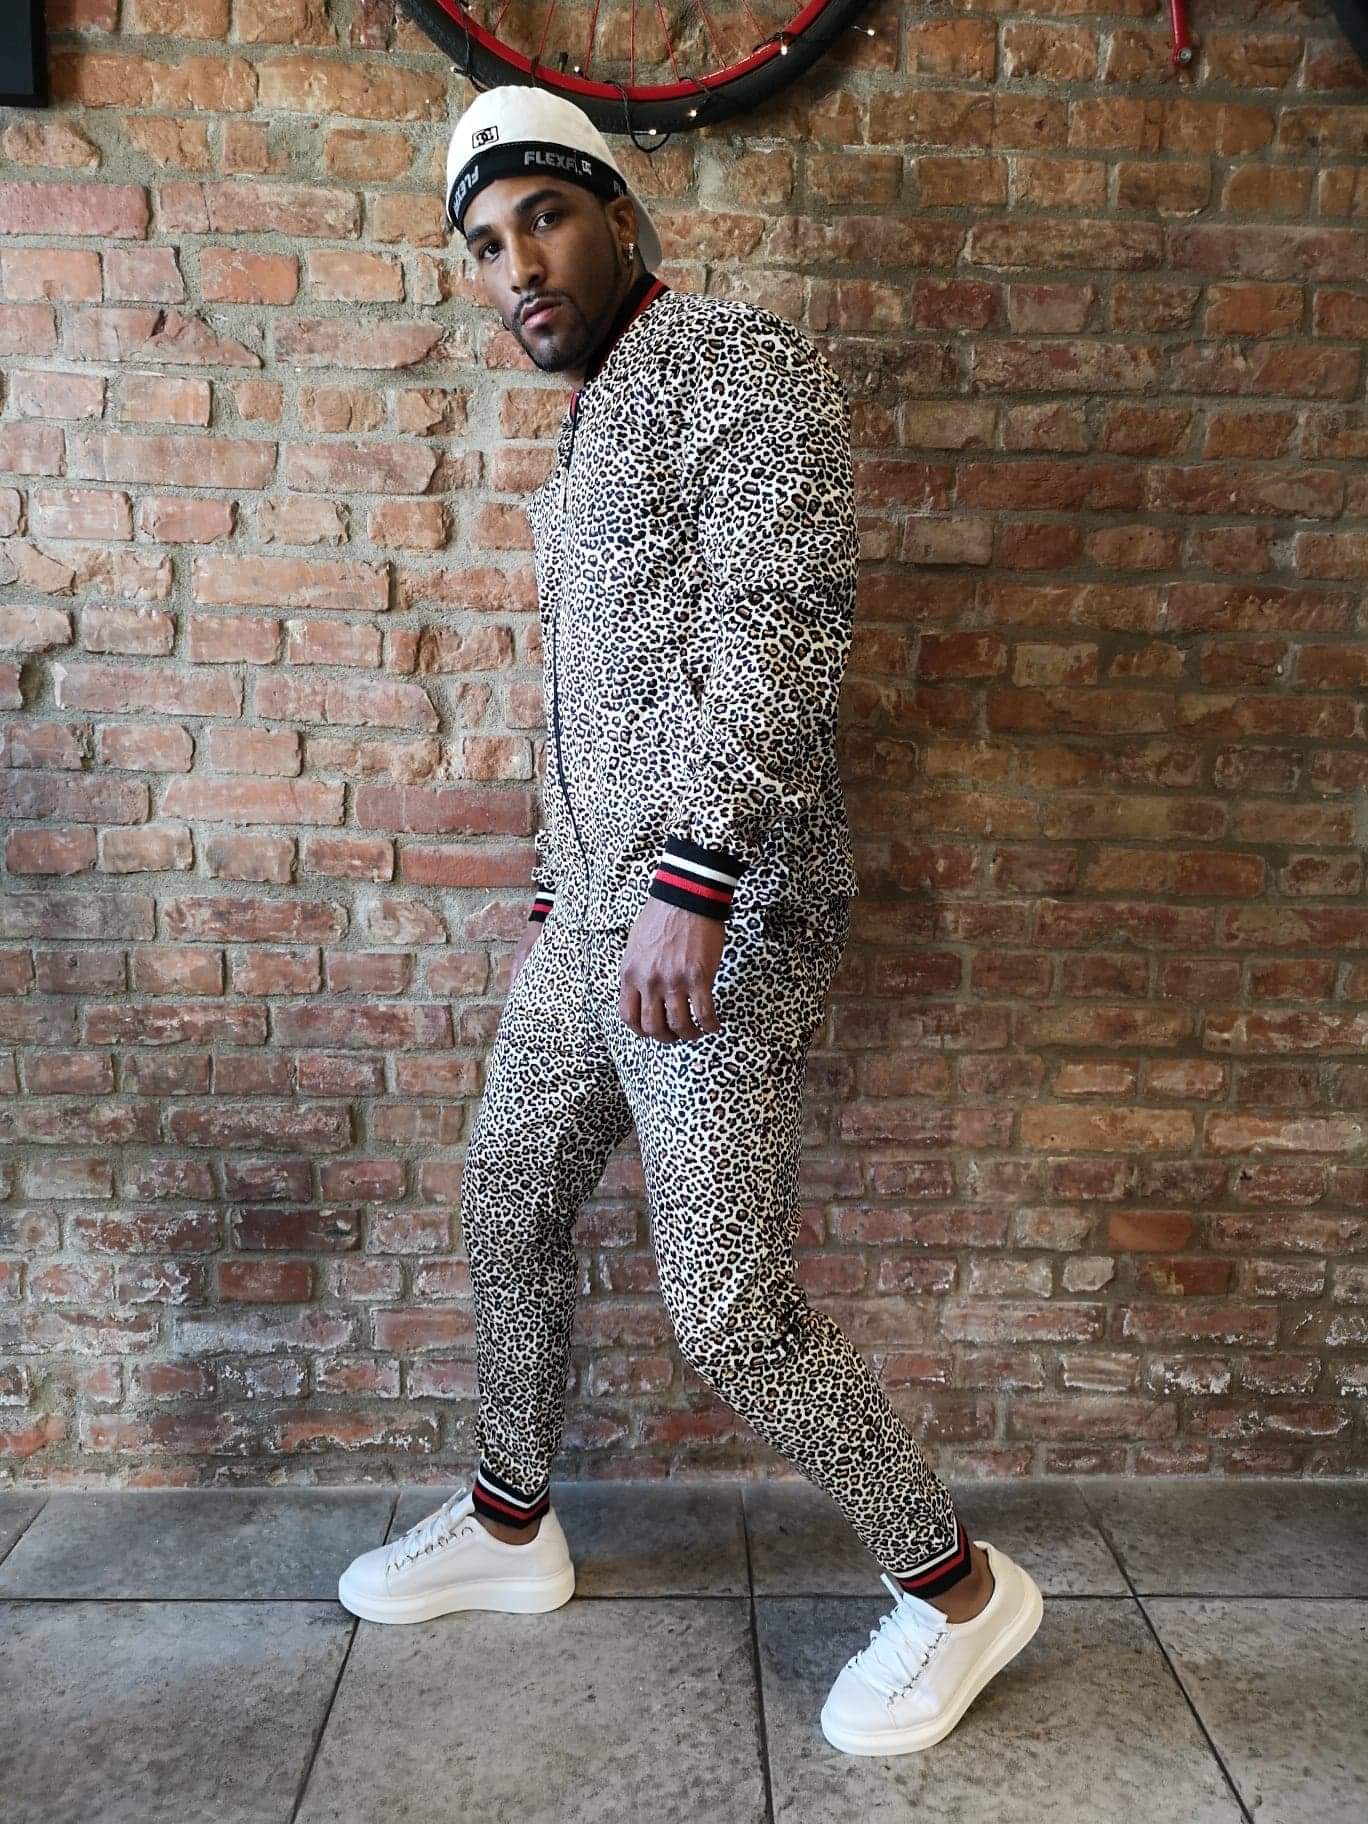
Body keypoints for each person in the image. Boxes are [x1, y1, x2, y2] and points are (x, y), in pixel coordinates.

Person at [338, 83, 1042, 1755]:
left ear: (620, 216)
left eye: (544, 220)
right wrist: (558, 886)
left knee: (728, 1304)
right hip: (594, 915)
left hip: (718, 918)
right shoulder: (596, 415)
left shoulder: (738, 363)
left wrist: (692, 880)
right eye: (486, 246)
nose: (518, 267)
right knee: (509, 1196)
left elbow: (781, 629)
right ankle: (512, 1523)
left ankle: (960, 1593)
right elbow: (600, 690)